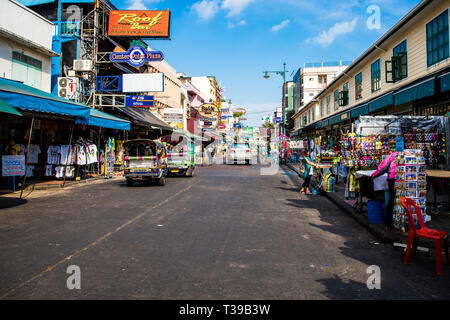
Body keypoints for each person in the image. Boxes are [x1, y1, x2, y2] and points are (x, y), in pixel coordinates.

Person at [372, 152, 398, 230]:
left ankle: (388, 223)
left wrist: (374, 174)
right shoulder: (412, 154)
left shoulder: (393, 155)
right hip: (404, 180)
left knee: (392, 200)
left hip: (393, 179)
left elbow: (383, 168)